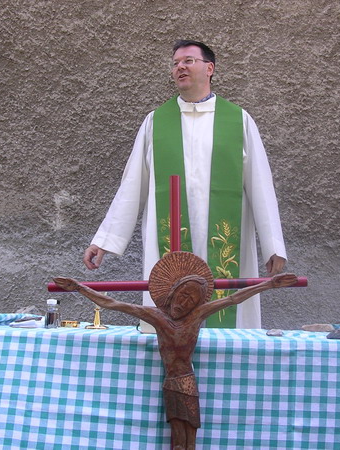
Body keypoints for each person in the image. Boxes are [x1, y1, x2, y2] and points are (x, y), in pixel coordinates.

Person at [83, 39, 287, 328]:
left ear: (209, 68)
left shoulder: (238, 120)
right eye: (176, 63)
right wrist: (104, 241)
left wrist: (273, 245)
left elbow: (260, 184)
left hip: (223, 242)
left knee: (224, 320)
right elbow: (132, 184)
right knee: (171, 325)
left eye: (188, 61)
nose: (180, 67)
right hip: (172, 242)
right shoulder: (156, 122)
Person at [54, 251, 298, 450]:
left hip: (188, 383)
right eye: (183, 295)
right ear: (172, 292)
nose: (184, 302)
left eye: (192, 300)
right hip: (170, 384)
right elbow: (113, 303)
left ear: (198, 304)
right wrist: (79, 287)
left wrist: (268, 284)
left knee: (190, 439)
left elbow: (233, 299)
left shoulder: (196, 316)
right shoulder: (157, 316)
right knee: (179, 440)